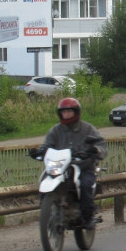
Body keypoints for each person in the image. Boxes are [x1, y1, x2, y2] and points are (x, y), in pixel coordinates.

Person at [29, 97, 107, 228]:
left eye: (69, 111)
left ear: (76, 112)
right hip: (60, 167)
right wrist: (38, 151)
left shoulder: (88, 129)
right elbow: (47, 146)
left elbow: (102, 146)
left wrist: (94, 150)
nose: (66, 114)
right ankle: (47, 212)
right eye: (64, 112)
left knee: (85, 184)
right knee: (44, 180)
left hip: (83, 166)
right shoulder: (55, 130)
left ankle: (87, 217)